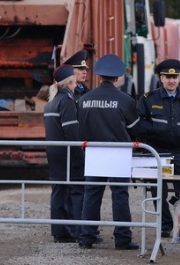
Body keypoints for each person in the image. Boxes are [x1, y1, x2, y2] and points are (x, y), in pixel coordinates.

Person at [77, 54, 140, 250]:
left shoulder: (85, 99)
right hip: (119, 152)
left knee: (92, 195)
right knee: (120, 195)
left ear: (99, 76)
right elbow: (134, 129)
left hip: (94, 152)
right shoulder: (125, 100)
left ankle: (86, 237)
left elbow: (81, 128)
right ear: (117, 78)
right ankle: (122, 238)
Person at [136, 59, 180, 237]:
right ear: (161, 78)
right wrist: (157, 130)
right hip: (157, 152)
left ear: (178, 78)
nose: (171, 80)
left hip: (177, 152)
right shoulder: (148, 99)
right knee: (158, 191)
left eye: (175, 77)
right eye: (167, 77)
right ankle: (164, 226)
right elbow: (139, 123)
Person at [43, 65, 84, 243]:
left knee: (58, 191)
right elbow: (71, 133)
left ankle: (59, 231)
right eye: (74, 83)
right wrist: (79, 157)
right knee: (71, 190)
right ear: (69, 83)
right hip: (66, 153)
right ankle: (72, 231)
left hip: (54, 153)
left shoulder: (50, 102)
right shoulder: (66, 100)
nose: (76, 86)